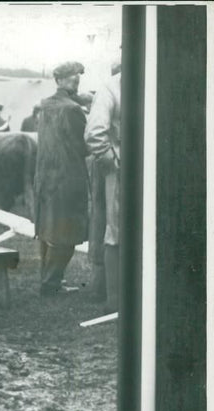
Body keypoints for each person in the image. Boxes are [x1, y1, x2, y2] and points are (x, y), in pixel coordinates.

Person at [34, 61, 89, 296]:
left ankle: (49, 280)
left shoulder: (45, 105)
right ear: (69, 82)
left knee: (48, 230)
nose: (76, 83)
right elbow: (82, 146)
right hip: (68, 178)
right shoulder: (73, 110)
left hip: (45, 177)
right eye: (75, 79)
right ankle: (51, 284)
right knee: (67, 232)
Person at [85, 65, 121, 312]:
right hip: (124, 170)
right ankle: (116, 301)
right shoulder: (112, 86)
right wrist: (112, 160)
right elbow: (95, 132)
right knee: (116, 232)